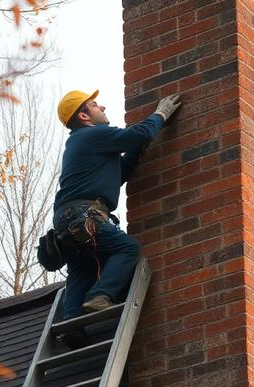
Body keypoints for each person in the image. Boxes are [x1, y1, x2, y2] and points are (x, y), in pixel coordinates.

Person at [53, 88, 181, 323]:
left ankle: (71, 323)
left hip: (67, 218)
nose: (101, 108)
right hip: (84, 215)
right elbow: (139, 134)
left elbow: (118, 174)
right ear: (84, 116)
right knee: (127, 249)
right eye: (94, 105)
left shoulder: (81, 143)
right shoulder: (93, 135)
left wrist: (135, 152)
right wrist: (160, 115)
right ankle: (101, 295)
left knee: (83, 266)